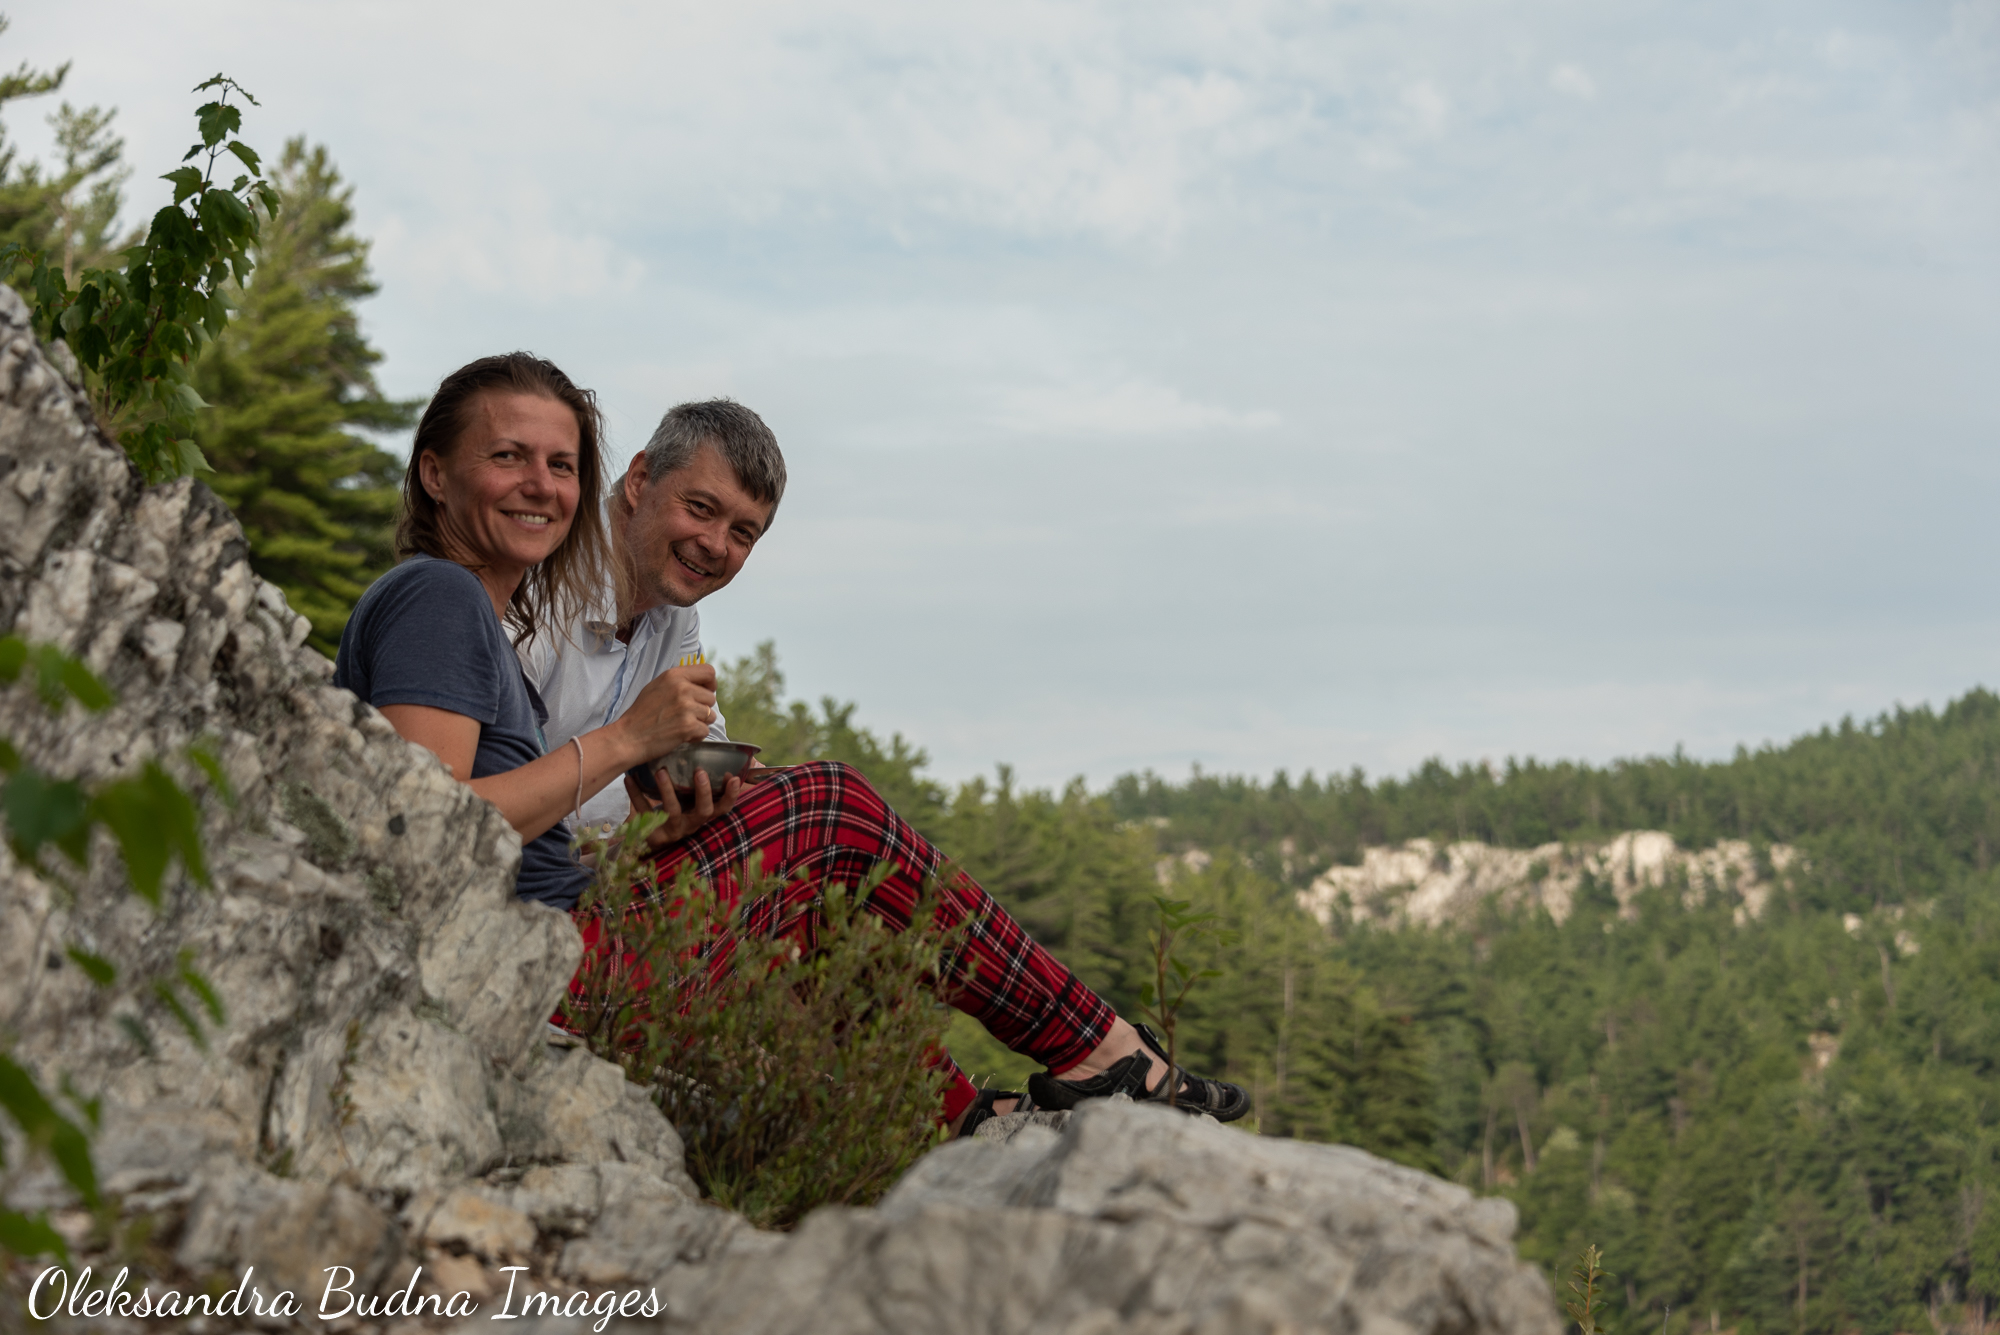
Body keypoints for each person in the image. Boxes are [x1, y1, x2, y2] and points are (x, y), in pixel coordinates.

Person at [521, 399, 1249, 1133]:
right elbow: (493, 818)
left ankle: (961, 1115)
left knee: (823, 862)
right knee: (831, 806)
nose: (714, 544)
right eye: (701, 509)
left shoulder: (673, 613)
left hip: (621, 906)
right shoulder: (531, 591)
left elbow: (696, 754)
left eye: (743, 533)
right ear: (640, 480)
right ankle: (1097, 1049)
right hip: (547, 954)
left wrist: (722, 792)